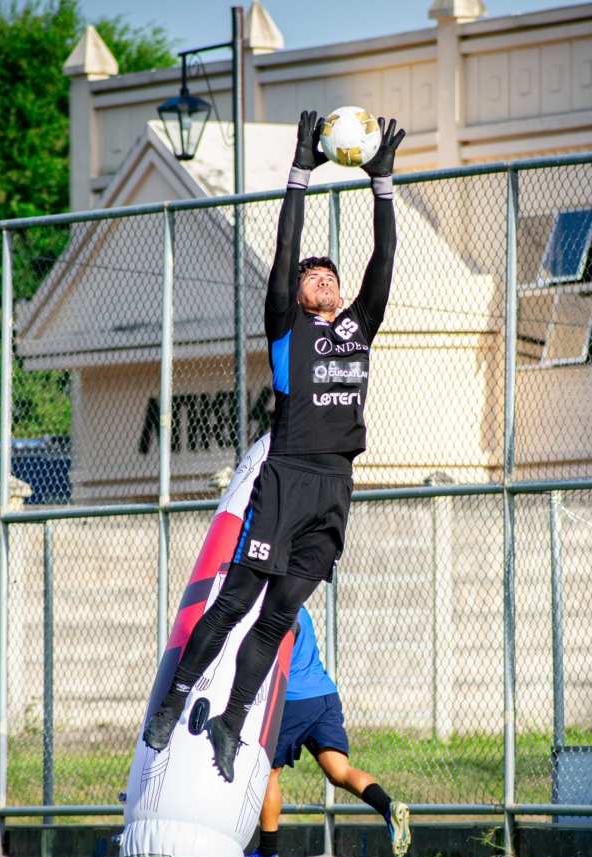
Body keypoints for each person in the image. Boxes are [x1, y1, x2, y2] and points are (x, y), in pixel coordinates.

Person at [143, 110, 404, 783]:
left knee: (281, 613)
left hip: (335, 488)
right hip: (285, 477)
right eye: (313, 278)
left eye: (329, 277)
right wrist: (300, 173)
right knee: (236, 602)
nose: (322, 280)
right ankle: (173, 703)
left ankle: (232, 723)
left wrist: (382, 186)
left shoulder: (357, 330)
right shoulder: (288, 328)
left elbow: (384, 262)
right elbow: (286, 258)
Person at [244, 607, 411, 857]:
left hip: (293, 700)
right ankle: (388, 807)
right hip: (324, 696)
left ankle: (267, 853)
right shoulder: (301, 607)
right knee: (340, 772)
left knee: (268, 773)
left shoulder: (278, 608)